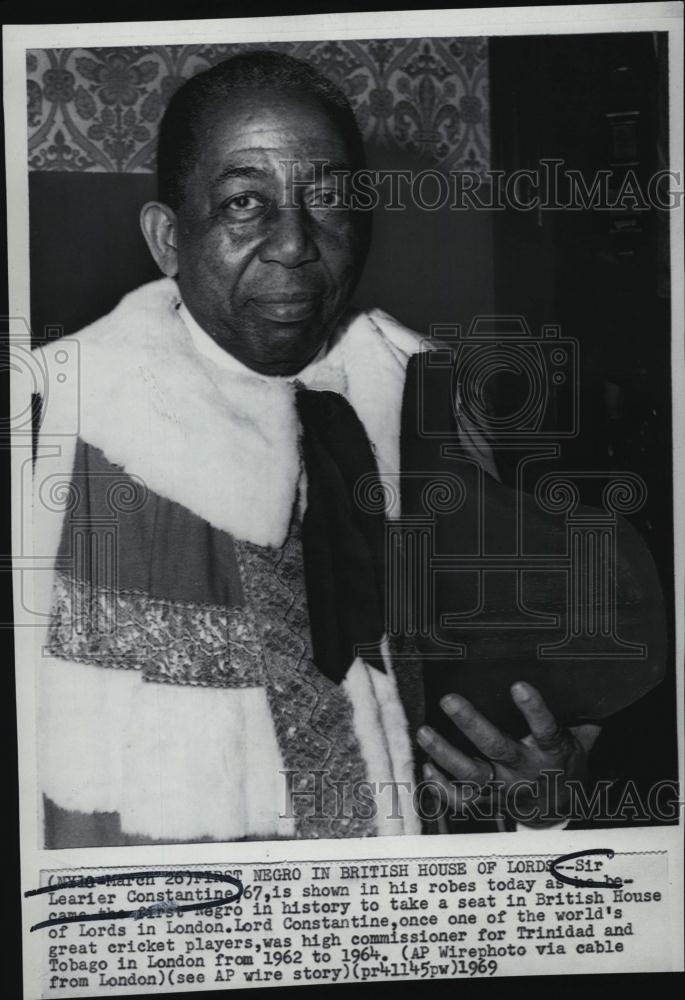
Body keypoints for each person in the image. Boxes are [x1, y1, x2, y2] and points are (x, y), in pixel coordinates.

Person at [32, 51, 663, 847]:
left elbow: (478, 740)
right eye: (243, 203)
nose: (295, 242)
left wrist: (541, 803)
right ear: (167, 238)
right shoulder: (58, 435)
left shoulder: (420, 406)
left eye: (327, 199)